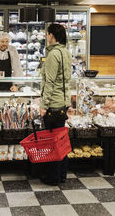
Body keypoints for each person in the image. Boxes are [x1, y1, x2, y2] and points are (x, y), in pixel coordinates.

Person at [39, 23, 72, 186]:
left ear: (51, 35)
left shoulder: (53, 54)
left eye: (47, 34)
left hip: (53, 104)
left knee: (52, 142)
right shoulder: (66, 52)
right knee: (61, 141)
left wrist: (44, 105)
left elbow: (50, 82)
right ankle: (62, 174)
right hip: (64, 102)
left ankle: (52, 177)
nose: (47, 36)